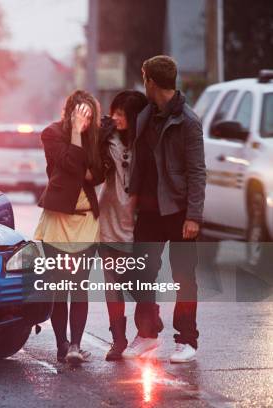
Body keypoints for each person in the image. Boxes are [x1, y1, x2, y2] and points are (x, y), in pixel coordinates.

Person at [123, 55, 206, 363]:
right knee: (140, 273)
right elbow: (141, 162)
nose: (143, 83)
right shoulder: (147, 115)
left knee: (185, 277)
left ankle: (187, 340)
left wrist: (194, 216)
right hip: (148, 210)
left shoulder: (187, 121)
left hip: (179, 210)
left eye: (144, 78)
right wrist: (132, 198)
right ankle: (146, 334)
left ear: (152, 82)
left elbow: (197, 171)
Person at [34, 90, 104, 364]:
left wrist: (83, 163)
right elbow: (72, 164)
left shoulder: (96, 138)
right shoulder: (51, 134)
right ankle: (62, 344)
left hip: (86, 220)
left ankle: (76, 345)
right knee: (59, 286)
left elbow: (98, 173)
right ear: (69, 112)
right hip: (57, 219)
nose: (85, 120)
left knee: (79, 286)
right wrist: (76, 134)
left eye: (89, 115)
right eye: (80, 114)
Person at [97, 90, 149, 361]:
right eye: (114, 112)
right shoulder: (107, 139)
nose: (116, 118)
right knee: (112, 283)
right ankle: (118, 339)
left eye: (122, 114)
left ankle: (149, 320)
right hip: (109, 219)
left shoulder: (146, 141)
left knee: (140, 280)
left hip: (140, 222)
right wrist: (100, 135)